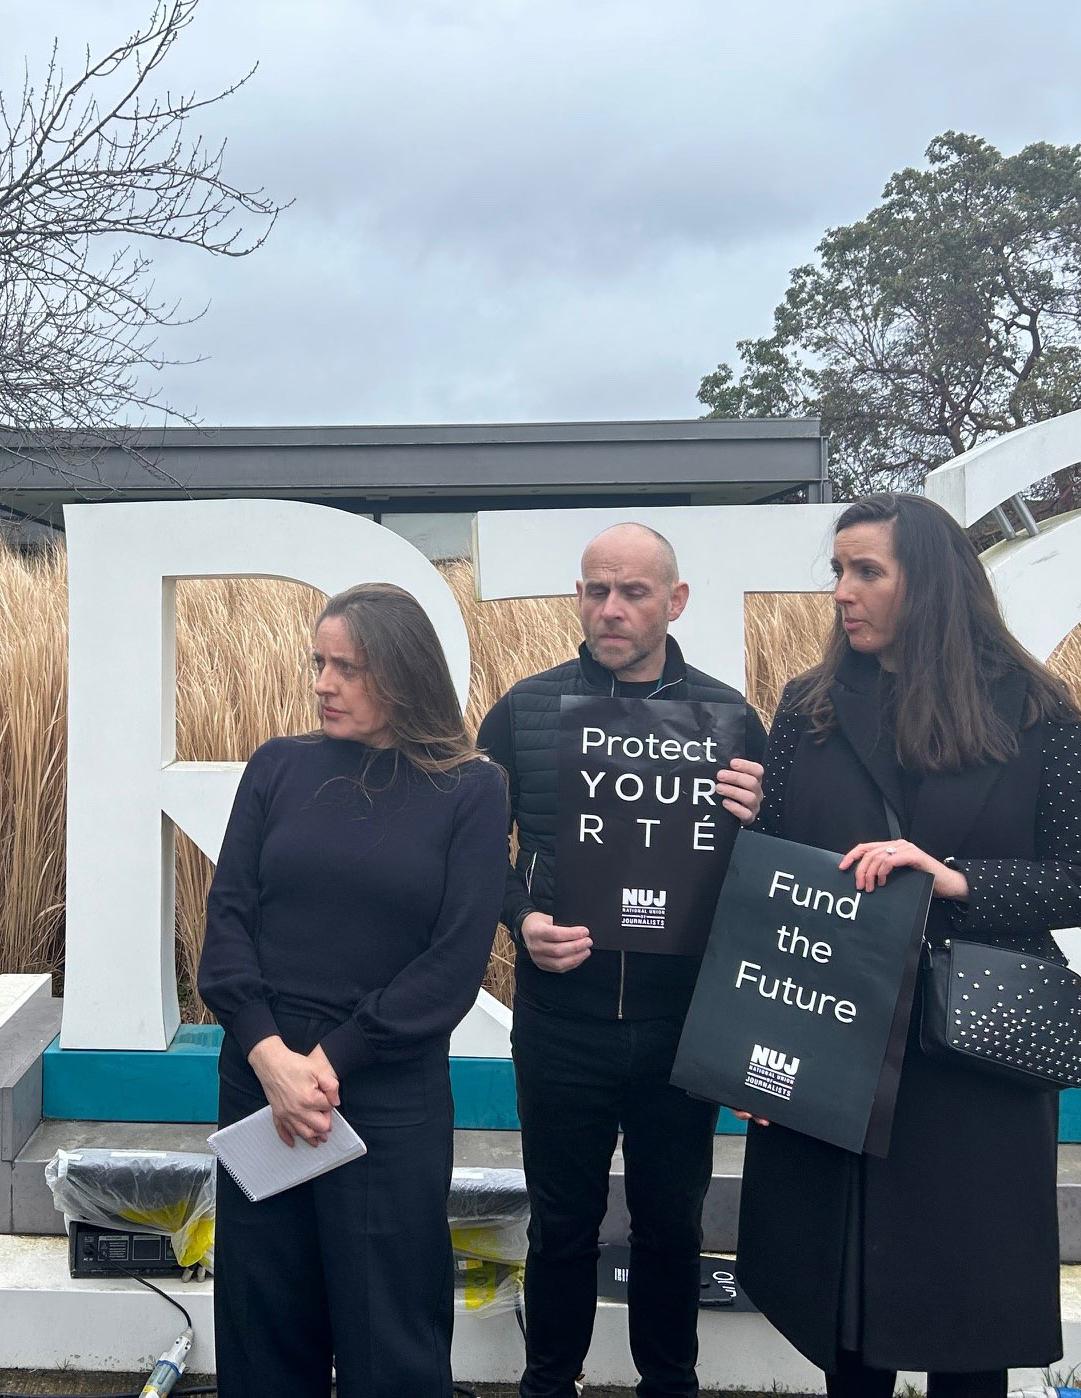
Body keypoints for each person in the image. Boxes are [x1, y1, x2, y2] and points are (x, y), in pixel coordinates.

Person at [737, 493, 1081, 1398]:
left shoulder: (1032, 709)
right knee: (846, 1331)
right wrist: (756, 1057)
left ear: (933, 582)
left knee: (968, 1335)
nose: (842, 592)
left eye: (866, 571)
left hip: (974, 1064)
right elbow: (779, 878)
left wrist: (954, 879)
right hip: (837, 1042)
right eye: (837, 570)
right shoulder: (810, 708)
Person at [197, 582, 509, 1398]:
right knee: (264, 1324)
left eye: (349, 668)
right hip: (261, 1083)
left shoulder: (472, 788)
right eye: (320, 662)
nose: (324, 684)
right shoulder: (277, 766)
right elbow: (226, 929)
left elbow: (451, 965)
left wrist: (325, 1063)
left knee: (390, 1335)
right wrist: (272, 1059)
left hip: (385, 1096)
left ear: (405, 674)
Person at [476, 522, 766, 1398]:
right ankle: (547, 1384)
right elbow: (473, 849)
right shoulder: (525, 710)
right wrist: (521, 920)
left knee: (672, 1226)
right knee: (561, 1222)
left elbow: (771, 878)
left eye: (633, 592)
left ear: (675, 602)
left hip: (681, 1024)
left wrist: (763, 813)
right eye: (595, 589)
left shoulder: (731, 718)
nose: (611, 608)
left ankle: (670, 1385)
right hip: (563, 1020)